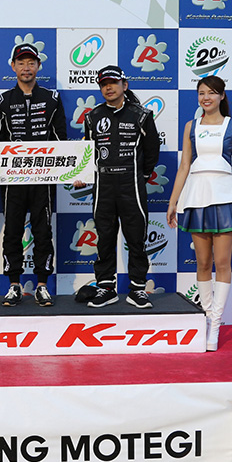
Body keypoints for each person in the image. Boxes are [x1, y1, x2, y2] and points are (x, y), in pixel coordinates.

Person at [166, 75, 232, 351]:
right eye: (201, 93)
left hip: (225, 197)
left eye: (211, 92)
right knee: (203, 263)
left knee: (222, 262)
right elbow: (184, 166)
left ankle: (216, 324)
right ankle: (206, 318)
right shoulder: (191, 126)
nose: (205, 97)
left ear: (221, 96)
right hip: (196, 196)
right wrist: (173, 202)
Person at [73, 65, 160, 309]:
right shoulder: (92, 117)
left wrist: (141, 175)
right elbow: (88, 152)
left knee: (136, 238)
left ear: (125, 85)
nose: (108, 87)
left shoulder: (141, 115)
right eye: (103, 84)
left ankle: (138, 289)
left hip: (131, 185)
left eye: (112, 82)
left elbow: (152, 151)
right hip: (104, 186)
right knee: (104, 237)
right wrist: (81, 173)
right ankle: (106, 287)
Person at [0, 42, 67, 307]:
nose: (26, 67)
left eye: (31, 63)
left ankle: (42, 285)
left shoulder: (52, 98)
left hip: (43, 179)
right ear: (13, 67)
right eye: (21, 63)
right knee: (12, 230)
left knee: (43, 231)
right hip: (12, 179)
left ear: (38, 66)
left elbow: (61, 139)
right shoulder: (2, 100)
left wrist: (73, 170)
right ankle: (13, 285)